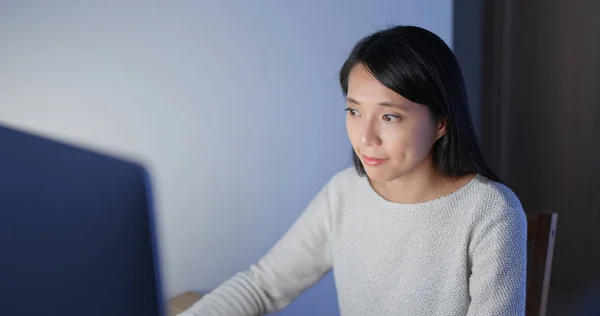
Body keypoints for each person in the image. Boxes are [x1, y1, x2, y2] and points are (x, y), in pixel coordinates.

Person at [179, 25, 527, 316]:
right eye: (354, 111)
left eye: (390, 116)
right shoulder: (345, 193)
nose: (365, 137)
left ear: (441, 123)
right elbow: (263, 286)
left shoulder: (490, 211)